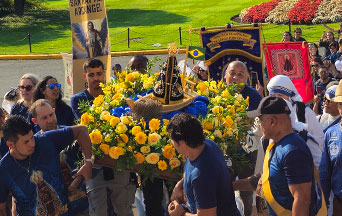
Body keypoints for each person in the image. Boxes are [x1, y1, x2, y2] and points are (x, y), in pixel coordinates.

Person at [70, 58, 136, 216]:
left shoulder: (116, 96)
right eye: (91, 75)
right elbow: (86, 129)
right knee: (98, 211)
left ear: (104, 74)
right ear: (85, 76)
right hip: (94, 163)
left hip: (119, 161)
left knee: (123, 209)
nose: (96, 78)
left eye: (99, 74)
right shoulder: (78, 100)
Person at [0, 115, 92, 216]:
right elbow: (1, 208)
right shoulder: (3, 170)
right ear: (10, 144)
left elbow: (82, 130)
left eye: (32, 137)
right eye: (26, 142)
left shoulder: (46, 140)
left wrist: (88, 162)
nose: (32, 144)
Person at [248, 96, 324, 215]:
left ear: (272, 121)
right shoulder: (277, 144)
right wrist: (233, 185)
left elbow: (302, 200)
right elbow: (266, 179)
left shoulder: (293, 151)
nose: (259, 125)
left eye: (260, 120)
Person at [167, 113, 240, 216]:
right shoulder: (208, 144)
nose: (172, 144)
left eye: (173, 141)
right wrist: (181, 185)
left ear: (182, 142)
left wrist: (180, 213)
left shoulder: (201, 175)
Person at [224, 60, 262, 216]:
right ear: (225, 75)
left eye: (240, 74)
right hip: (225, 151)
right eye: (232, 73)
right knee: (224, 189)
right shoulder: (217, 94)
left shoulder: (254, 96)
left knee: (247, 192)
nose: (235, 77)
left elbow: (258, 122)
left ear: (246, 77)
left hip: (248, 150)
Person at [267, 75, 324, 167]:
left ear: (289, 95)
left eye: (280, 95)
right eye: (273, 95)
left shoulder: (303, 111)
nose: (277, 99)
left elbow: (319, 137)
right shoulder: (269, 114)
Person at [320, 79, 342, 214]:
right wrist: (324, 201)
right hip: (339, 202)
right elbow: (325, 171)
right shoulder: (331, 133)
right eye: (340, 103)